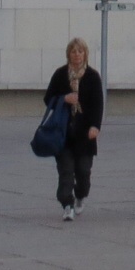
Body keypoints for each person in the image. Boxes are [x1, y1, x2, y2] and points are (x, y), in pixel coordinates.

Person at [43, 38, 103, 220]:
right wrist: (64, 99)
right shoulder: (60, 74)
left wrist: (95, 126)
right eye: (73, 51)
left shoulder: (92, 76)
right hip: (64, 133)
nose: (77, 55)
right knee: (66, 172)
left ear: (85, 54)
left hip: (85, 134)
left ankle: (80, 195)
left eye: (80, 51)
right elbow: (48, 98)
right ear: (68, 54)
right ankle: (67, 204)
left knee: (83, 172)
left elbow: (98, 104)